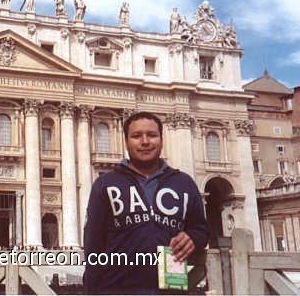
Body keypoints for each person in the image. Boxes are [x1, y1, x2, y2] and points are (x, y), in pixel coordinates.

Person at [83, 112, 208, 294]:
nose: (145, 141)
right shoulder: (105, 184)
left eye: (151, 135)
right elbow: (93, 242)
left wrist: (193, 238)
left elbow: (201, 229)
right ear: (126, 142)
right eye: (136, 136)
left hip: (171, 290)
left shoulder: (184, 183)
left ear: (161, 140)